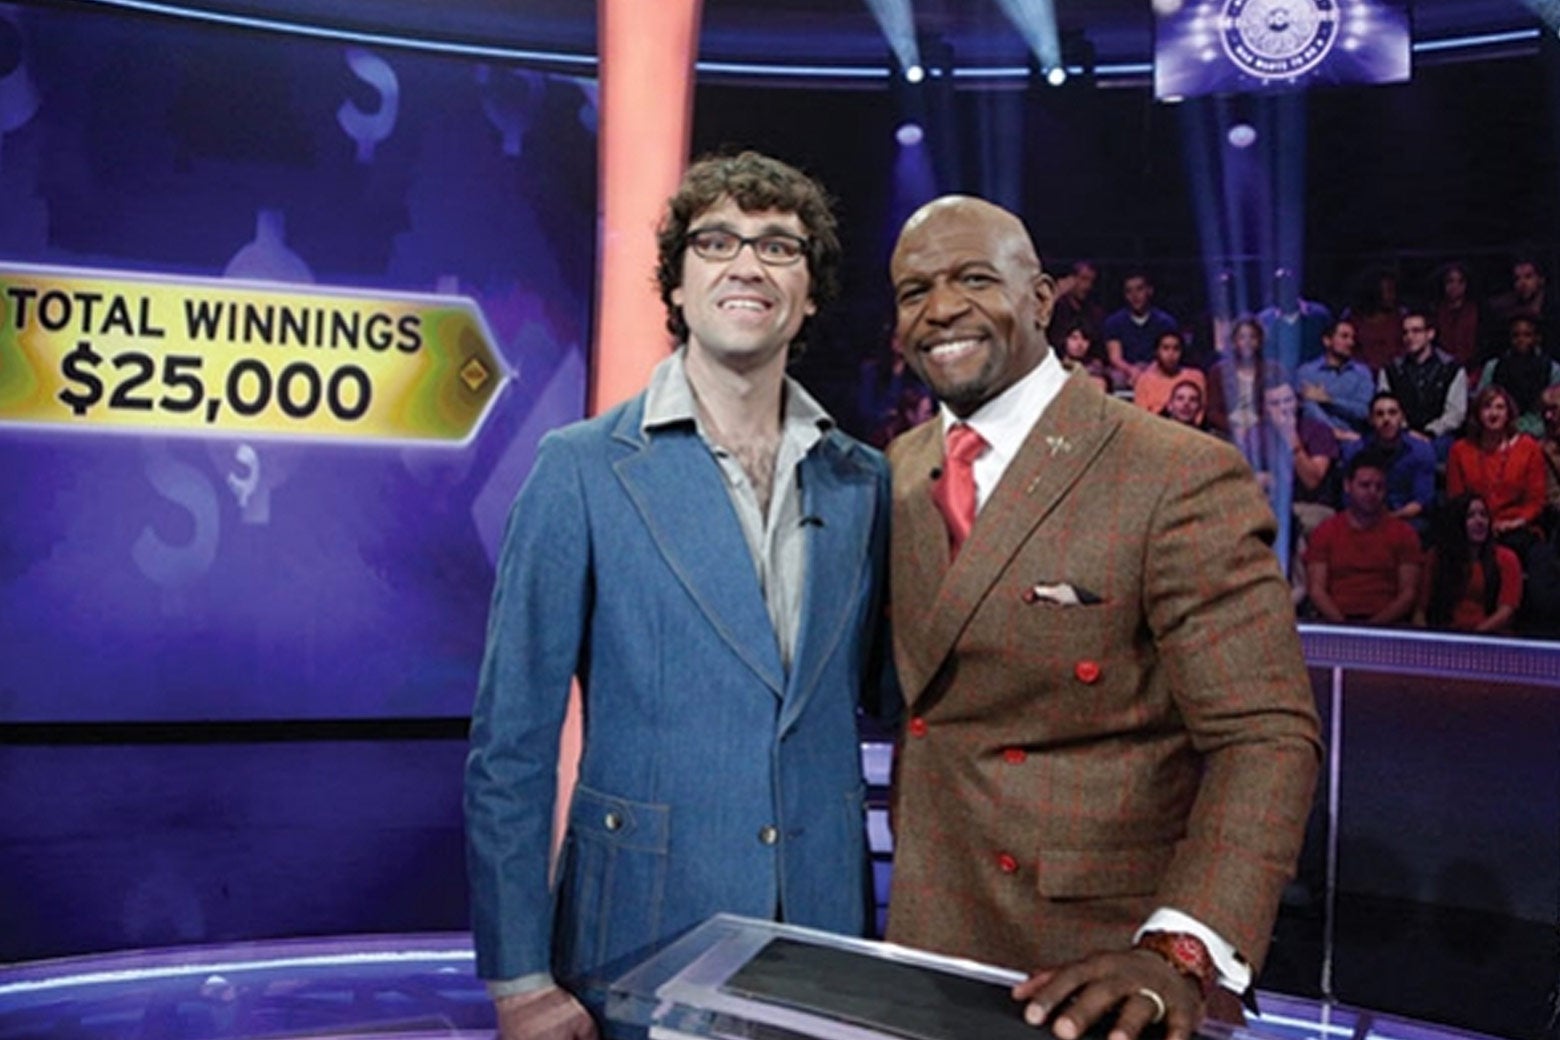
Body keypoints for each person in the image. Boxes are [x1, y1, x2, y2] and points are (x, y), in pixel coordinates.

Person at [464, 152, 890, 1040]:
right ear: (679, 284)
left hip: (825, 941)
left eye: (780, 246)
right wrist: (517, 979)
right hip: (643, 941)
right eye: (718, 241)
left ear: (810, 294)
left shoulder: (863, 481)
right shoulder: (580, 469)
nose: (748, 264)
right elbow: (511, 747)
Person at [883, 195, 1320, 1040]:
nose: (941, 308)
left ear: (1043, 299)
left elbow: (1265, 735)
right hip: (928, 937)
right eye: (913, 291)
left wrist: (1180, 951)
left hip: (1104, 967)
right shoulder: (900, 469)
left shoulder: (1174, 472)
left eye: (975, 278)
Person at [1304, 451, 1422, 625]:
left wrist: (1372, 629)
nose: (1372, 492)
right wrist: (1345, 628)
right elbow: (1316, 590)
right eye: (1365, 485)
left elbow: (1408, 594)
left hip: (1388, 627)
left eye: (1379, 487)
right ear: (1347, 486)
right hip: (1336, 625)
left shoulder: (1404, 534)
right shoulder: (1325, 531)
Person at [1446, 384, 1548, 556]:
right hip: (1472, 527)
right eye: (1487, 407)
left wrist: (1515, 522)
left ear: (1509, 413)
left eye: (1500, 407)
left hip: (1516, 527)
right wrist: (1477, 522)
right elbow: (1456, 498)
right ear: (1477, 413)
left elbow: (1536, 501)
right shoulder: (1460, 450)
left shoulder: (1528, 448)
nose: (1493, 414)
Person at [1414, 494, 1522, 634]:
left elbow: (1506, 610)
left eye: (1483, 515)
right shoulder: (1436, 557)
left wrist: (1473, 636)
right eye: (1471, 516)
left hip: (1490, 638)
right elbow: (1420, 610)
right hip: (1446, 636)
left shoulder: (1507, 558)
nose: (1479, 521)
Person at [1340, 392, 1437, 542]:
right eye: (1380, 414)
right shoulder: (1355, 451)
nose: (1386, 419)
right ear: (1371, 420)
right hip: (1363, 517)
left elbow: (1420, 502)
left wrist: (1388, 520)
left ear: (1402, 418)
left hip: (1405, 518)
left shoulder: (1421, 450)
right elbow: (1349, 497)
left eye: (1392, 413)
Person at [1377, 307, 1468, 461]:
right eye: (1405, 332)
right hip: (1400, 433)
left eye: (1416, 331)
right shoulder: (1390, 370)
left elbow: (1456, 413)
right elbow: (1383, 406)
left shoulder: (1452, 368)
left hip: (1438, 436)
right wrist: (1406, 430)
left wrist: (1430, 432)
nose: (1409, 337)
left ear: (1430, 334)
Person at [1474, 314, 1560, 437]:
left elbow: (1555, 409)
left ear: (1536, 338)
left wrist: (1531, 431)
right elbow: (1481, 402)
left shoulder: (1552, 369)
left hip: (1541, 433)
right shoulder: (1493, 366)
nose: (1521, 340)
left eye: (1527, 335)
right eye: (1516, 335)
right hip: (1499, 431)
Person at [1206, 316, 1287, 444]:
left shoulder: (1274, 370)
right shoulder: (1218, 372)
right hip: (1225, 431)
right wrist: (1234, 428)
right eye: (1242, 337)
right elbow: (1212, 412)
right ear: (1234, 342)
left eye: (1253, 337)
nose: (1247, 342)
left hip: (1262, 432)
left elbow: (1279, 407)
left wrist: (1253, 430)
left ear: (1260, 341)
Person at [1294, 319, 1373, 441]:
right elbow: (1307, 408)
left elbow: (1364, 411)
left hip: (1354, 438)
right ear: (1327, 341)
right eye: (1344, 337)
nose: (1350, 342)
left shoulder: (1362, 373)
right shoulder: (1306, 372)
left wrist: (1329, 400)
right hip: (1318, 439)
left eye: (1352, 338)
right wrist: (1333, 432)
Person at [1102, 270, 1180, 388]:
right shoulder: (1114, 322)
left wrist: (1149, 372)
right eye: (1129, 291)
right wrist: (1132, 371)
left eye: (1139, 289)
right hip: (1126, 371)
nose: (1135, 296)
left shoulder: (1165, 322)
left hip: (1157, 368)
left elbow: (1168, 353)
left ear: (1149, 291)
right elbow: (1115, 358)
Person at [1133, 330, 1205, 418]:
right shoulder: (1144, 380)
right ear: (1157, 351)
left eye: (1176, 349)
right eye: (1165, 348)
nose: (1171, 354)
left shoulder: (1195, 376)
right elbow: (1141, 416)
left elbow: (1201, 412)